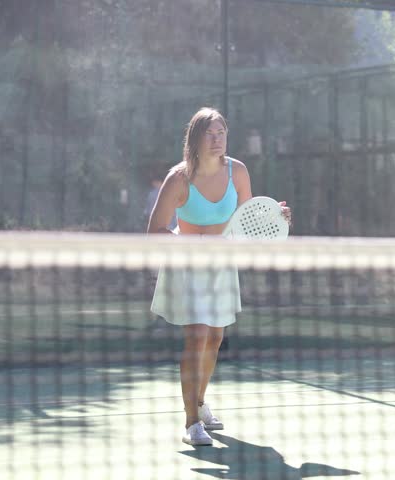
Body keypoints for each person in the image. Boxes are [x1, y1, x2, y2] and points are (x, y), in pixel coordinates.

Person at [147, 107, 291, 446]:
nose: (216, 140)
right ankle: (191, 423)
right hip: (188, 267)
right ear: (194, 139)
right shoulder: (178, 178)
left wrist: (277, 217)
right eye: (209, 134)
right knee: (196, 337)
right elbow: (154, 230)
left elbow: (250, 220)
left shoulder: (237, 172)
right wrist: (192, 246)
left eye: (221, 133)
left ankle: (199, 401)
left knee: (214, 339)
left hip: (222, 265)